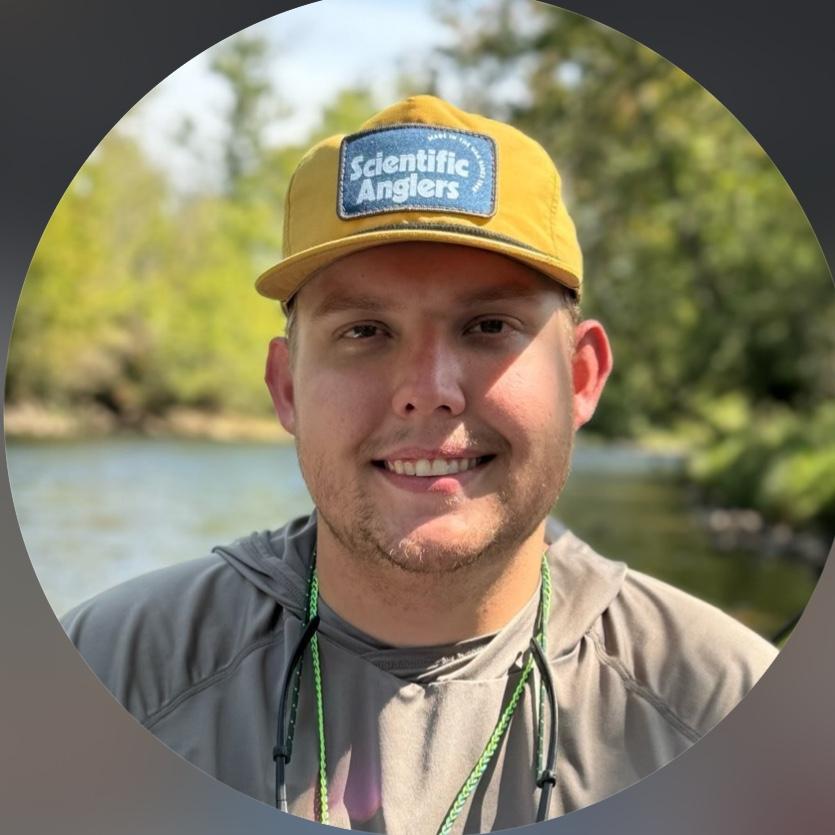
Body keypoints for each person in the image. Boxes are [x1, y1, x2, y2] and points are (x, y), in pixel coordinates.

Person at [62, 95, 777, 834]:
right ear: (286, 388)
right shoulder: (101, 682)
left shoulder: (733, 715)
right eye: (365, 330)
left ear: (581, 377)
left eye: (488, 325)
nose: (428, 390)